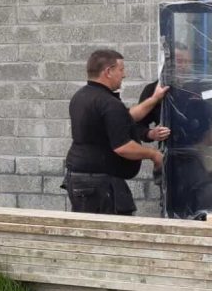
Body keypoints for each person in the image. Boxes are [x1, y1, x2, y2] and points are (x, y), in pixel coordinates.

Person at [64, 49, 167, 215]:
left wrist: (154, 99)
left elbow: (126, 117)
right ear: (108, 72)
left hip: (82, 179)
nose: (124, 75)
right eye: (121, 69)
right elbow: (123, 147)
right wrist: (153, 154)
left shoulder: (82, 96)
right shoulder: (108, 103)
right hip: (98, 184)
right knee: (108, 233)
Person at [138, 43, 212, 218]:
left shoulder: (203, 88)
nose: (183, 65)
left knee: (205, 198)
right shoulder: (154, 90)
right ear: (168, 63)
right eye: (179, 61)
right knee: (174, 203)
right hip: (170, 157)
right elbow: (137, 125)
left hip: (200, 154)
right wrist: (150, 134)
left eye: (187, 61)